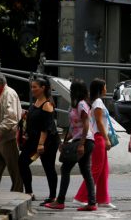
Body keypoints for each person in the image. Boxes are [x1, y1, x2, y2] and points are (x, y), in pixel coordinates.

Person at [45, 80, 97, 211]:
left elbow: (85, 125)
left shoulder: (81, 104)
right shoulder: (77, 105)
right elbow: (75, 127)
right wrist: (66, 140)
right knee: (86, 171)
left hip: (84, 141)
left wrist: (81, 144)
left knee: (65, 169)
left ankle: (60, 201)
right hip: (82, 140)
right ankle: (92, 202)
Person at [74, 78, 116, 209]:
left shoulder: (97, 101)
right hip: (98, 138)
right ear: (100, 88)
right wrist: (106, 138)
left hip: (100, 137)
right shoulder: (98, 102)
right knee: (96, 169)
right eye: (105, 87)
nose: (106, 89)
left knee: (104, 170)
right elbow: (98, 122)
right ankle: (81, 197)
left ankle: (103, 199)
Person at [18, 77, 60, 205]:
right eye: (32, 87)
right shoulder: (36, 102)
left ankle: (52, 196)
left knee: (48, 167)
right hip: (33, 140)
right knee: (22, 162)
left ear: (43, 88)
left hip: (48, 141)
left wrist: (41, 144)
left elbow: (46, 128)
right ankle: (29, 193)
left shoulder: (47, 104)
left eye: (35, 87)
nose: (32, 89)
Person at [0, 72, 23, 192]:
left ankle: (17, 192)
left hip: (7, 137)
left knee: (14, 169)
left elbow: (11, 117)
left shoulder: (9, 94)